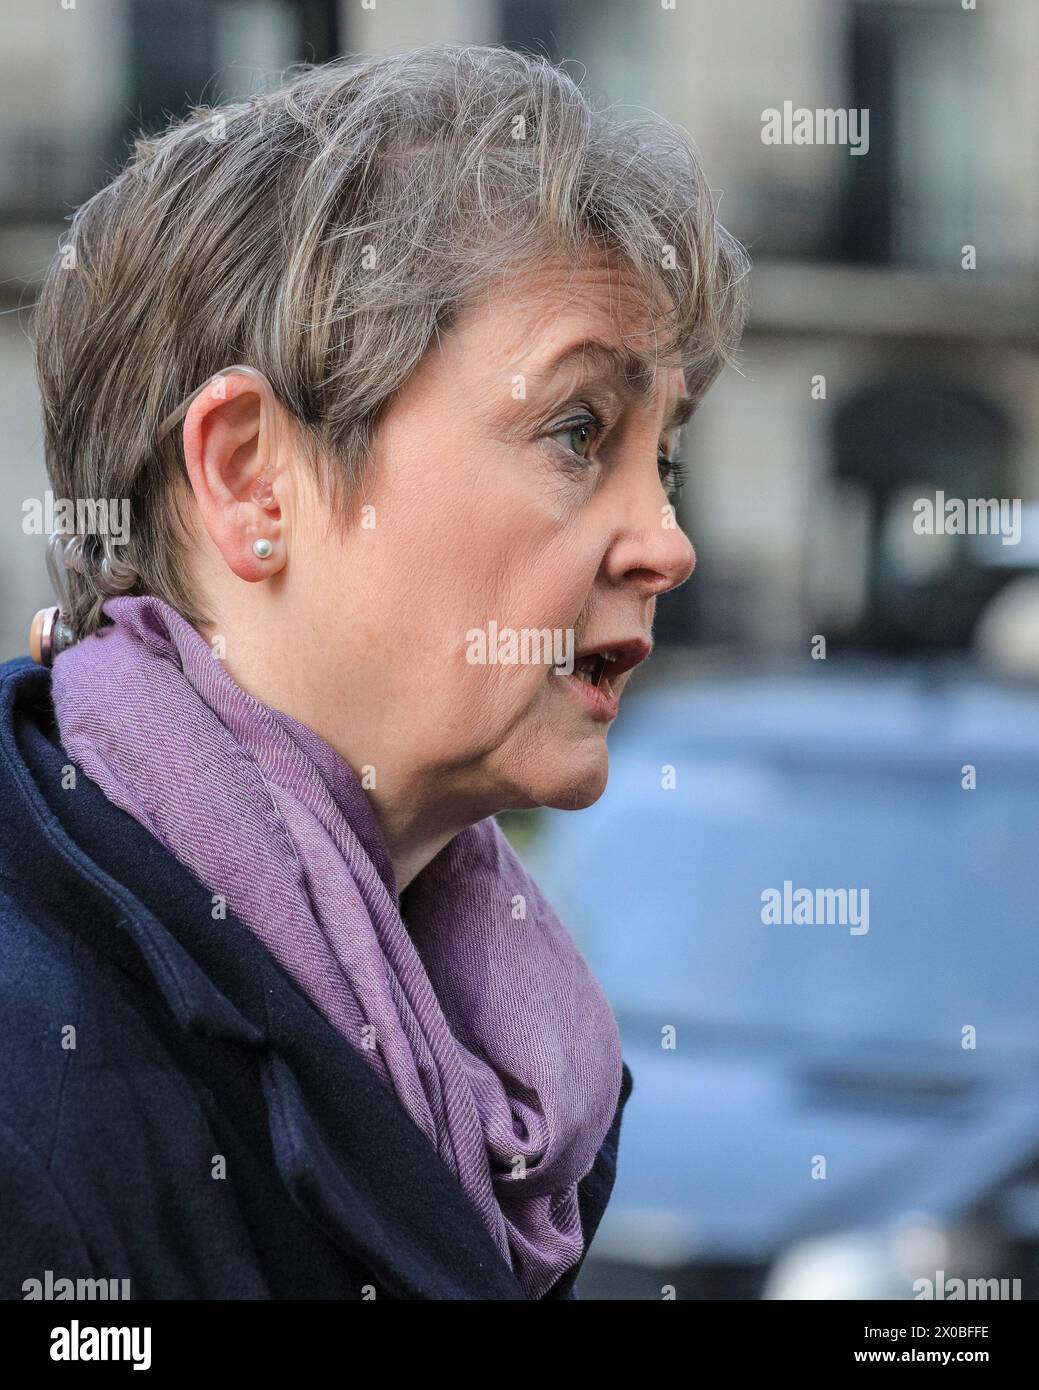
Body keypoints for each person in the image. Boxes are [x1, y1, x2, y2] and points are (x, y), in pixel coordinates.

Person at [0, 42, 748, 1300]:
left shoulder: (503, 1058)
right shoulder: (35, 1107)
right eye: (578, 431)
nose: (668, 543)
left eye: (661, 461)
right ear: (249, 476)